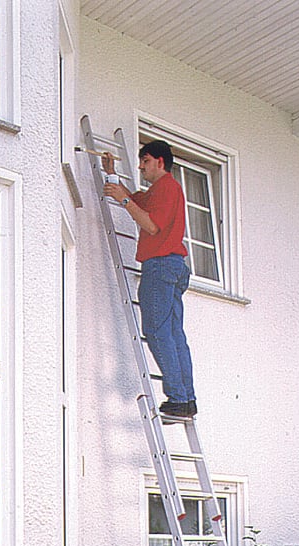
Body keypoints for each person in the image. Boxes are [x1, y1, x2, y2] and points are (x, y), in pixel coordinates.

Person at [103, 141, 197, 418]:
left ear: (159, 162)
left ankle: (178, 398)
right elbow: (136, 202)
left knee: (157, 331)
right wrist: (112, 176)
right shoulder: (159, 191)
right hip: (173, 266)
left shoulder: (167, 188)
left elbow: (151, 225)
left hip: (160, 266)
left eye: (145, 161)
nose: (141, 166)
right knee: (174, 335)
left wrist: (124, 200)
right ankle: (187, 399)